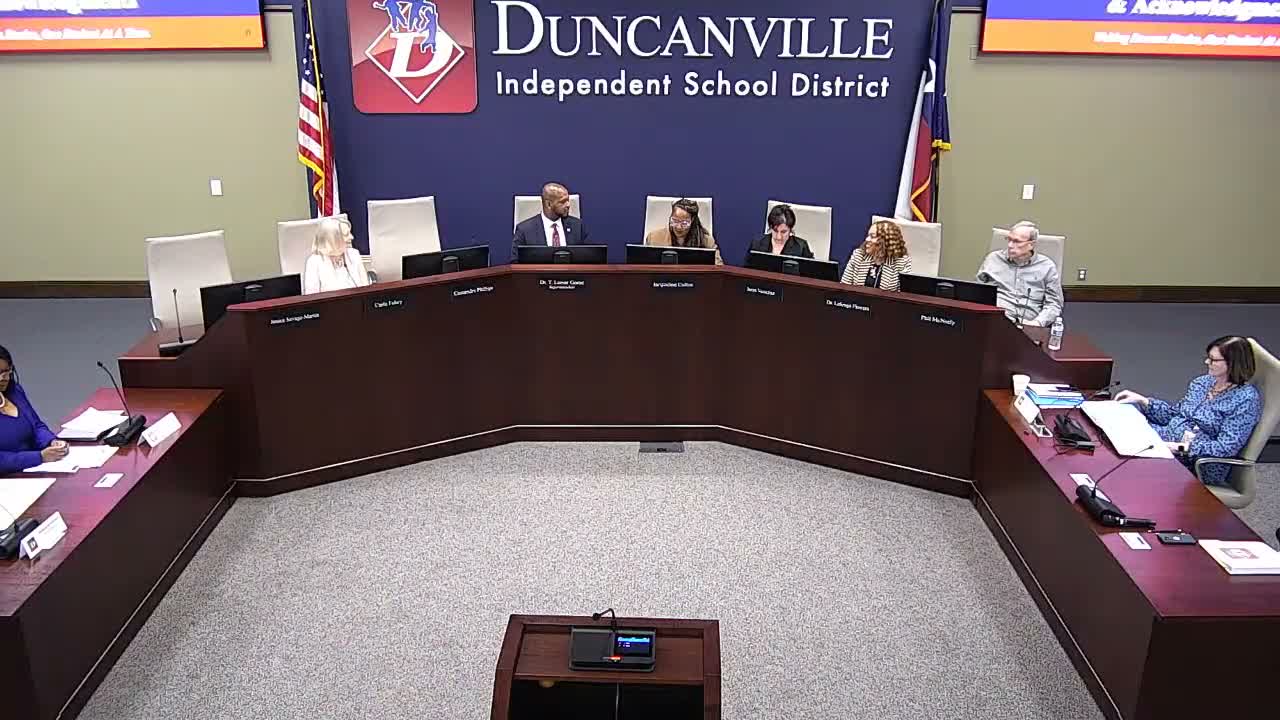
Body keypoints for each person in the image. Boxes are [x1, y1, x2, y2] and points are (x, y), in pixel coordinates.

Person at [1115, 336, 1262, 487]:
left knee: (1126, 458)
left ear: (1233, 364)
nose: (1207, 362)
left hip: (1196, 461)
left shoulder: (1246, 400)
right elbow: (1175, 415)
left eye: (1213, 360)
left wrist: (1178, 447)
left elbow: (1225, 448)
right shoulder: (1202, 383)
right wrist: (1143, 401)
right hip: (1168, 439)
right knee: (1121, 421)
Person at [976, 220, 1063, 326]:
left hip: (1029, 323)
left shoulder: (1047, 266)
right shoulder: (993, 259)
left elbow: (1054, 304)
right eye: (1009, 239)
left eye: (1016, 241)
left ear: (1031, 245)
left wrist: (1038, 322)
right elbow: (978, 293)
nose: (1010, 245)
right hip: (997, 321)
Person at [0, 345, 68, 475]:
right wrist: (39, 457)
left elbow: (36, 426)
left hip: (35, 470)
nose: (2, 378)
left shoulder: (14, 391)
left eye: (6, 372)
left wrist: (51, 441)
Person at [512, 182, 591, 261]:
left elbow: (589, 258)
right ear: (548, 204)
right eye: (562, 202)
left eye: (568, 200)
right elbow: (515, 263)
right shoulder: (524, 231)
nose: (568, 205)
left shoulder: (578, 226)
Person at [644, 197, 723, 265]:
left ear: (692, 221)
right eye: (675, 221)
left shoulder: (707, 242)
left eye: (684, 223)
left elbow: (719, 268)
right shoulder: (654, 239)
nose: (678, 227)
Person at [302, 217, 369, 295]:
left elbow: (366, 288)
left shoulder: (354, 254)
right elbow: (311, 297)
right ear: (332, 239)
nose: (351, 237)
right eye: (346, 235)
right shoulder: (314, 262)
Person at [840, 220, 912, 291]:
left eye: (872, 236)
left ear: (886, 241)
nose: (867, 239)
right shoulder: (859, 255)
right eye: (868, 235)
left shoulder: (902, 262)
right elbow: (844, 287)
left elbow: (904, 295)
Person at [743, 204, 814, 263]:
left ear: (790, 230)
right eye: (775, 231)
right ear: (770, 228)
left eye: (784, 232)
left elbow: (811, 272)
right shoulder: (757, 243)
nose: (779, 237)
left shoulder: (801, 247)